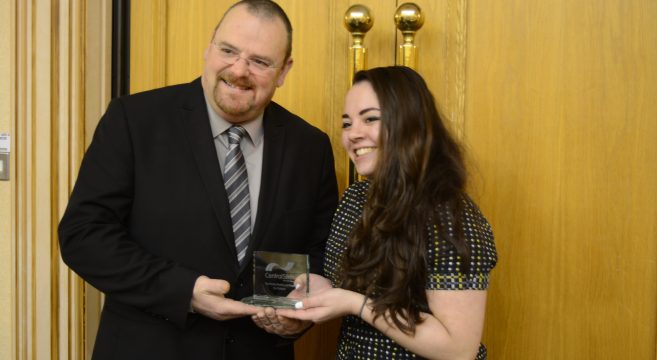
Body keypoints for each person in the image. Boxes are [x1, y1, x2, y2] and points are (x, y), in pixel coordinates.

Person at [58, 1, 338, 359]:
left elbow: (317, 251)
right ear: (208, 48)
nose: (239, 70)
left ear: (284, 71)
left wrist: (296, 311)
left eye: (260, 61)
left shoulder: (309, 146)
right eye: (228, 51)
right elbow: (84, 235)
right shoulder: (134, 121)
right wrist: (183, 290)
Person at [274, 66, 498, 360]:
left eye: (370, 119)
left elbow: (458, 349)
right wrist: (317, 287)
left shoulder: (451, 217)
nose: (353, 135)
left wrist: (355, 304)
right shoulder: (355, 199)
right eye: (346, 123)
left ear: (409, 123)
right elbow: (347, 285)